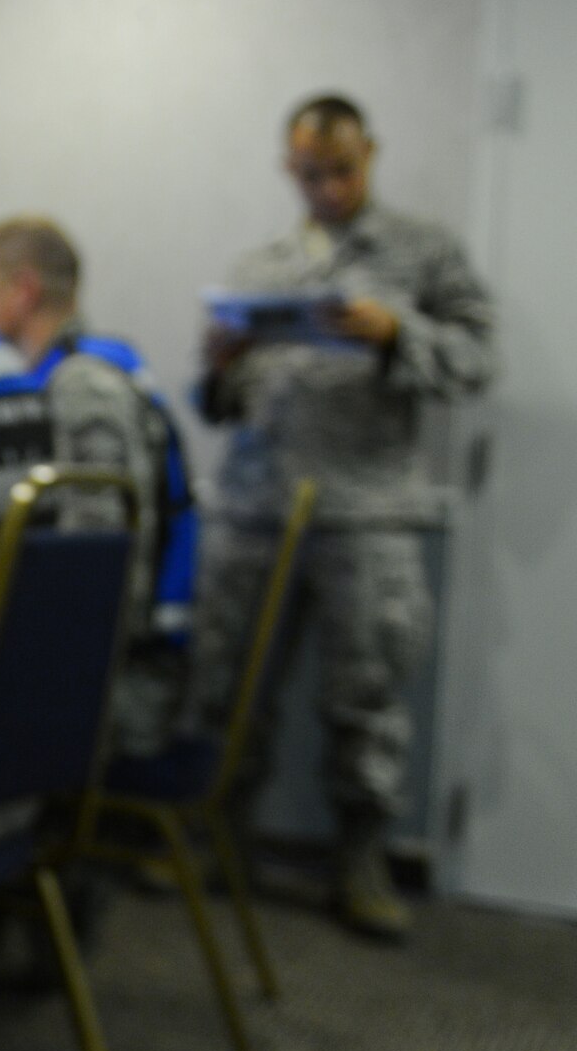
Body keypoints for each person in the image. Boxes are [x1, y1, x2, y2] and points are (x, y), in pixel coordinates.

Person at [196, 94, 496, 940]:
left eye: (341, 170)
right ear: (288, 168)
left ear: (370, 155)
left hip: (367, 513)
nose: (325, 187)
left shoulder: (424, 253)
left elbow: (477, 359)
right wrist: (221, 364)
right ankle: (222, 840)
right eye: (309, 173)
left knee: (365, 701)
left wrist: (396, 334)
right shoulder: (260, 267)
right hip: (256, 508)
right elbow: (217, 402)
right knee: (227, 689)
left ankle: (361, 862)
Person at [0, 216, 199, 758]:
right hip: (119, 670)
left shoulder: (80, 387)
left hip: (121, 690)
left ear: (22, 291)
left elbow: (101, 571)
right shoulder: (97, 363)